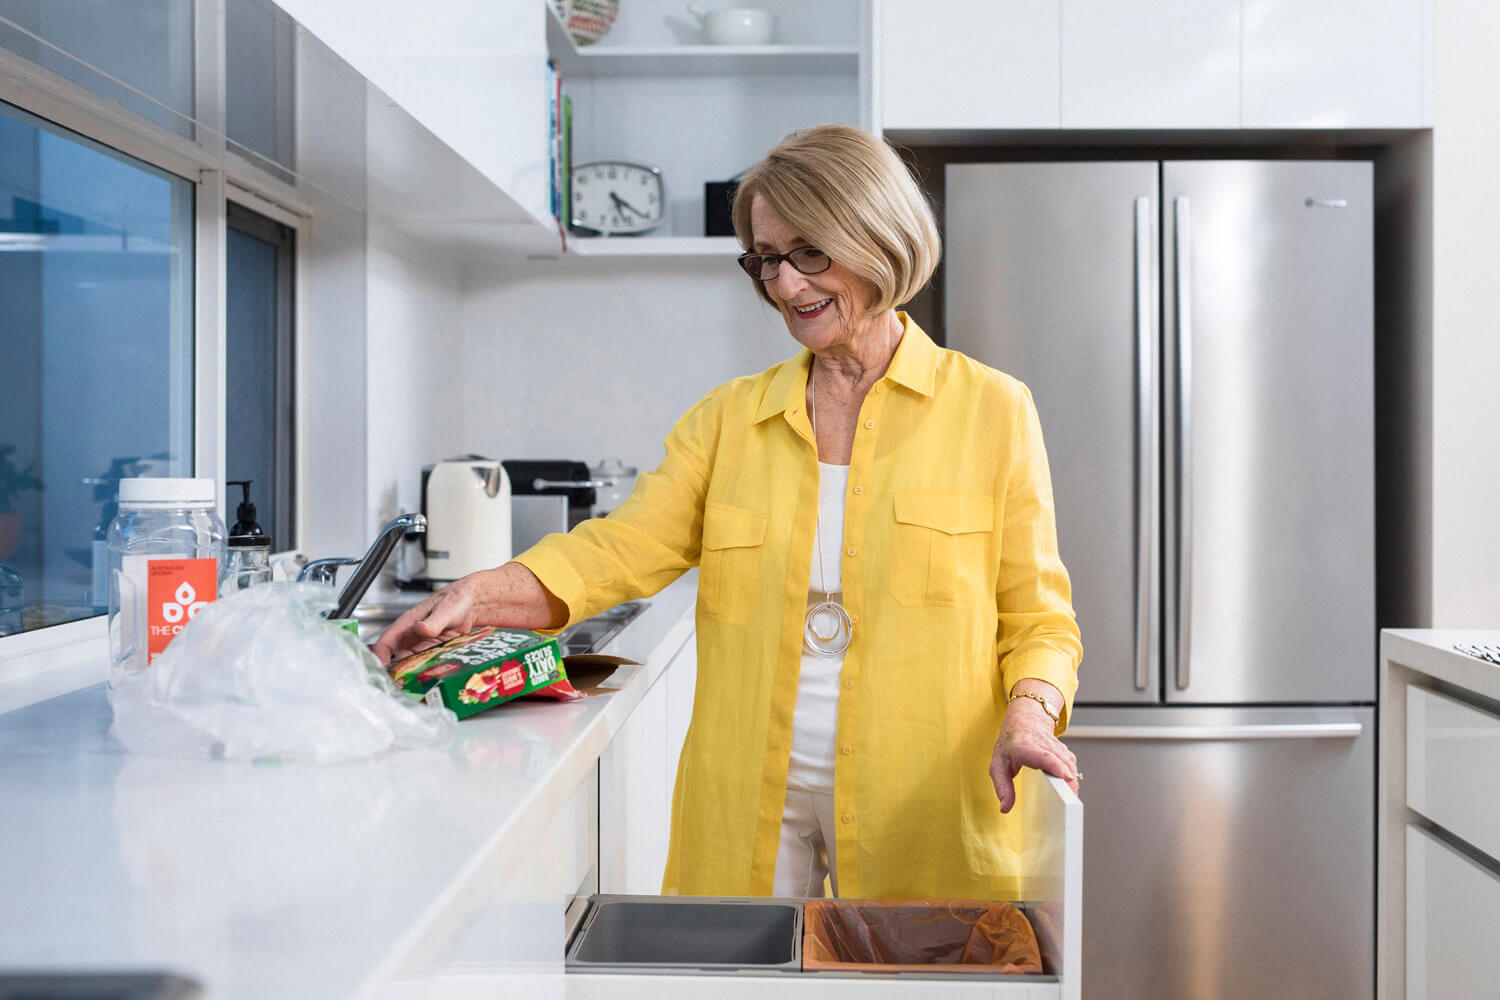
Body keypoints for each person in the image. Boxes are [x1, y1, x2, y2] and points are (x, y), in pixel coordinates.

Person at [375, 124, 1082, 901]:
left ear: (877, 236)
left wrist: (1030, 715)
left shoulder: (992, 411)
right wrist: (476, 595)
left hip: (924, 797)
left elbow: (1039, 620)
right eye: (767, 259)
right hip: (748, 795)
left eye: (809, 251)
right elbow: (618, 551)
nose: (783, 284)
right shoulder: (728, 420)